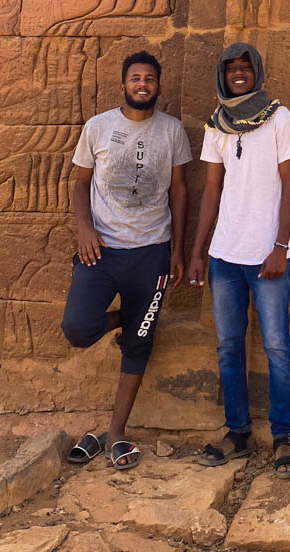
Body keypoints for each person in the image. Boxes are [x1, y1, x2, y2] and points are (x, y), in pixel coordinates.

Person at [61, 50, 190, 470]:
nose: (142, 84)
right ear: (123, 84)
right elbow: (81, 184)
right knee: (78, 328)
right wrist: (84, 228)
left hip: (151, 251)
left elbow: (180, 193)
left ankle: (116, 432)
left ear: (158, 85)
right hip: (101, 251)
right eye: (135, 78)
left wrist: (177, 249)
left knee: (139, 344)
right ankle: (129, 317)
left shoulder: (171, 130)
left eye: (150, 79)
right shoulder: (98, 127)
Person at [188, 42, 290, 479]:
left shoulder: (279, 117)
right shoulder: (216, 125)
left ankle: (282, 436)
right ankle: (236, 432)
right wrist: (199, 251)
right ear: (224, 74)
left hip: (267, 254)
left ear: (257, 72)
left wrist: (279, 245)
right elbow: (212, 190)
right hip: (225, 255)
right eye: (231, 69)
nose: (239, 74)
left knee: (276, 347)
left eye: (245, 68)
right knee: (229, 346)